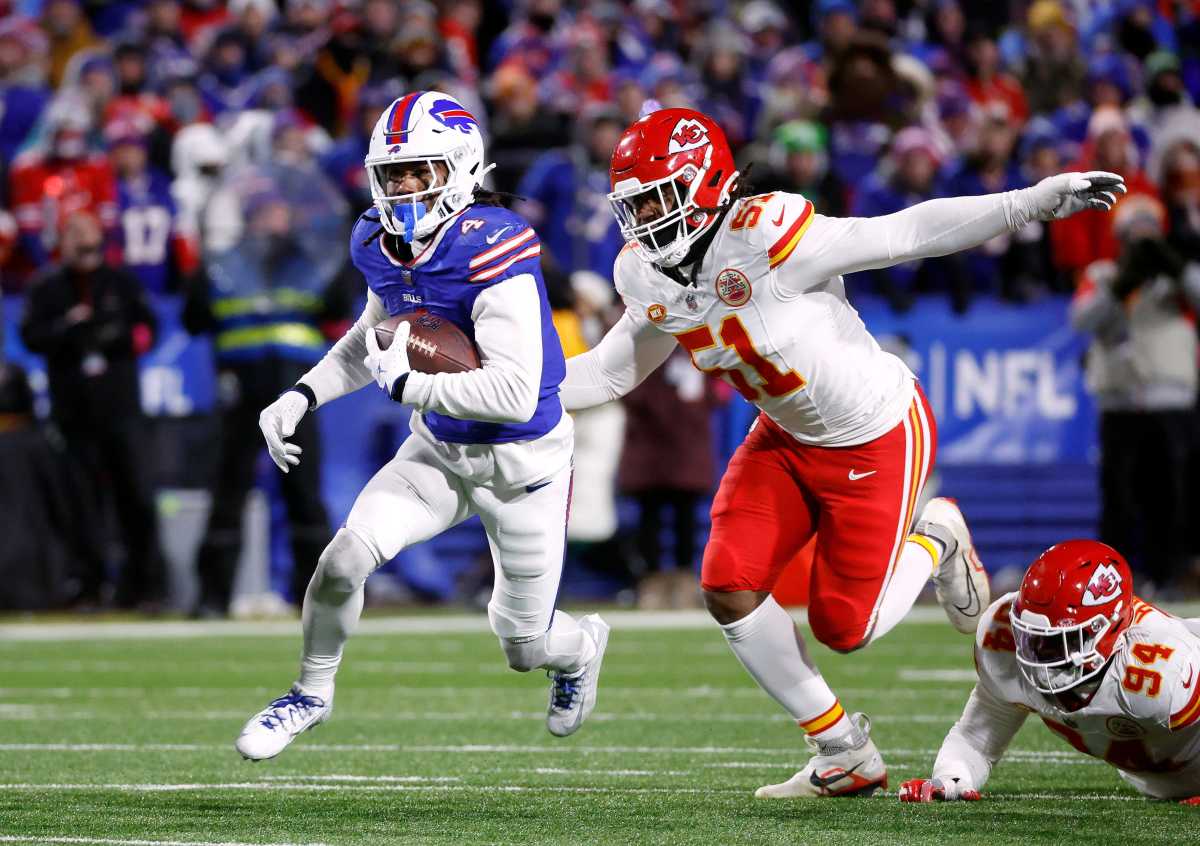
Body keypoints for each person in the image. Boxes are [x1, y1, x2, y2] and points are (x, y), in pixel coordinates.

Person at [560, 106, 1124, 798]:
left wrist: (1026, 202)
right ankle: (841, 749)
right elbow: (611, 372)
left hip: (875, 432)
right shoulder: (647, 275)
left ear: (706, 184)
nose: (645, 219)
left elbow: (903, 233)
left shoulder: (767, 235)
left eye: (658, 197)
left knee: (844, 628)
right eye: (634, 204)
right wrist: (492, 391)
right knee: (729, 585)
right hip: (786, 437)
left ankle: (937, 537)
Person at [233, 91, 609, 761]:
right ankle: (311, 692)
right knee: (345, 558)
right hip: (439, 451)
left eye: (420, 171)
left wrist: (413, 385)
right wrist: (303, 394)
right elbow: (371, 337)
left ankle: (579, 650)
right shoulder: (379, 242)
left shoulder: (494, 244)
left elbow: (516, 394)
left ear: (461, 167)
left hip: (525, 467)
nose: (402, 188)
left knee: (525, 648)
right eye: (393, 173)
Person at [899, 539, 1200, 804]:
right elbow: (976, 739)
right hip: (1157, 776)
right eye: (1031, 639)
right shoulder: (1003, 640)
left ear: (1108, 631)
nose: (1036, 657)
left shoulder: (1161, 671)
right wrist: (950, 778)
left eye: (1059, 643)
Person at [19, 210, 166, 610]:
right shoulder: (47, 287)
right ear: (62, 242)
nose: (82, 243)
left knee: (135, 496)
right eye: (73, 235)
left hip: (120, 409)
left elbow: (147, 329)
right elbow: (31, 336)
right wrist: (68, 328)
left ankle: (145, 586)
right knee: (81, 502)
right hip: (74, 412)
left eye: (88, 234)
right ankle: (87, 583)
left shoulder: (121, 282)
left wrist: (116, 335)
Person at [1070, 195, 1200, 595]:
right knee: (1120, 497)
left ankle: (1169, 574)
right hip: (1121, 402)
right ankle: (1114, 581)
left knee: (1172, 494)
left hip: (1171, 400)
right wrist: (1121, 286)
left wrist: (1176, 269)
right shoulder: (1104, 273)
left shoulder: (1179, 278)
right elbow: (1081, 320)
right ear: (1120, 238)